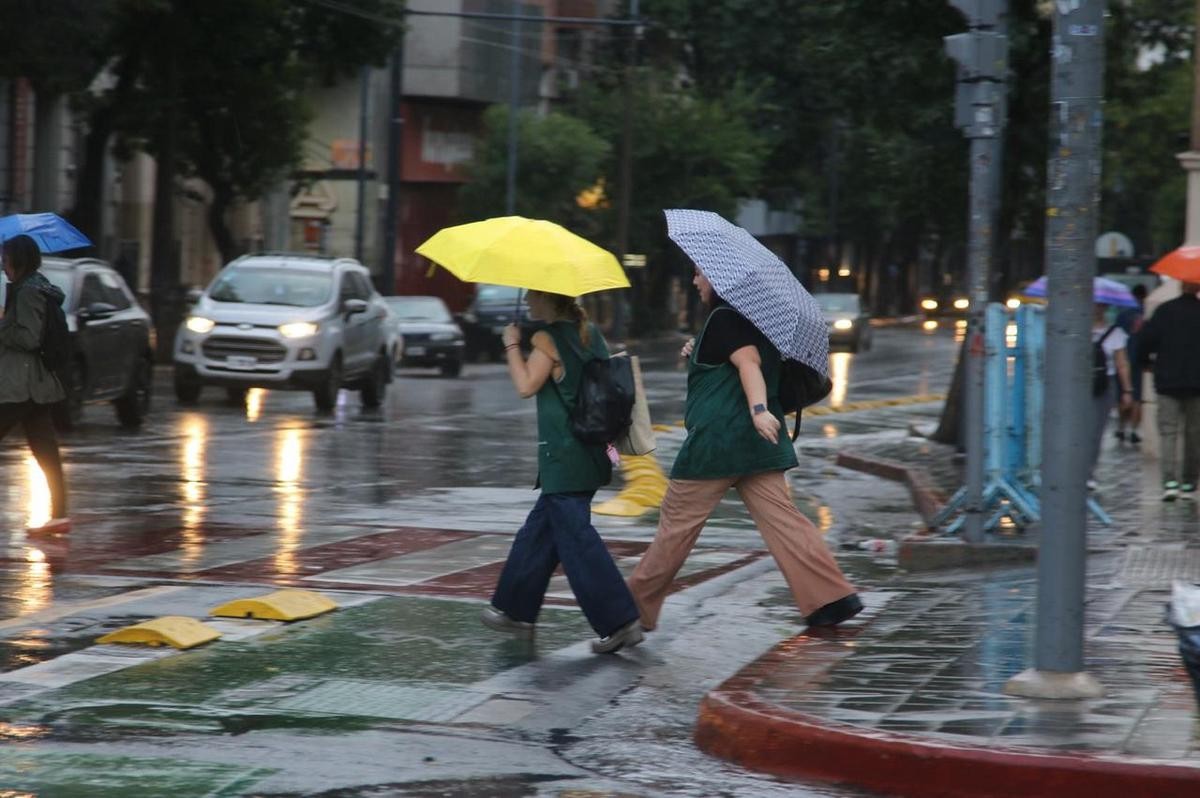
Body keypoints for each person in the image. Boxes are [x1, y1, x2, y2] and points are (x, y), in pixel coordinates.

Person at [627, 270, 861, 633]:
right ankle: (830, 598)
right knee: (785, 522)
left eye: (700, 274)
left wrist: (758, 411)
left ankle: (631, 612)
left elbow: (748, 363)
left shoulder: (725, 317)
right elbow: (735, 359)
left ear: (720, 279)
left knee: (675, 528)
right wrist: (697, 346)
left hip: (717, 445)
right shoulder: (754, 320)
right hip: (758, 449)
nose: (694, 281)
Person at [480, 289, 644, 653]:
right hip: (591, 450)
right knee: (538, 534)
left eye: (533, 296)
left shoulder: (547, 338)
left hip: (565, 456)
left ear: (550, 299)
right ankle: (514, 609)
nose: (527, 302)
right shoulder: (591, 333)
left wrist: (510, 345)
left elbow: (526, 386)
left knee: (577, 541)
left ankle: (621, 620)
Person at [0, 234, 70, 534]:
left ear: (18, 260)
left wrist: (2, 328)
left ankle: (59, 515)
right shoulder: (36, 286)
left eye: (5, 259)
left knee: (46, 452)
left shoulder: (28, 292)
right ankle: (59, 515)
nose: (3, 265)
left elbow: (28, 338)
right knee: (46, 452)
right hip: (35, 384)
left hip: (19, 385)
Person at [1137, 280, 1200, 501]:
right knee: (1194, 435)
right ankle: (1189, 484)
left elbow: (1144, 340)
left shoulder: (1164, 311)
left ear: (1181, 285)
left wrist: (1146, 362)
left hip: (1167, 381)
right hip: (1196, 385)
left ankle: (1170, 483)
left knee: (1169, 433)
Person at [1088, 302, 1134, 491]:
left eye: (1100, 305)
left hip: (1103, 385)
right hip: (1077, 385)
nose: (1097, 308)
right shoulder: (1075, 329)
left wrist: (1127, 391)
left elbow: (1122, 364)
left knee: (1096, 432)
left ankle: (1088, 472)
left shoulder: (1115, 333)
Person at [1115, 284, 1147, 443]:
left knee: (1124, 394)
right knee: (1138, 398)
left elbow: (1115, 334)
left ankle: (1121, 428)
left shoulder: (1123, 313)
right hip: (1140, 360)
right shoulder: (1146, 313)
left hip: (1123, 357)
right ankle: (1134, 430)